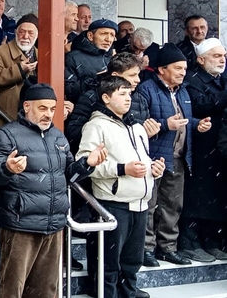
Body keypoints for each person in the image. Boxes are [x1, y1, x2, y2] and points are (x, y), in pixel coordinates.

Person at [0, 84, 106, 298]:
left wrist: (87, 164)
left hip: (54, 225)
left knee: (47, 291)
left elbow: (69, 175)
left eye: (52, 109)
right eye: (43, 108)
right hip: (20, 226)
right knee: (12, 290)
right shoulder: (7, 135)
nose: (48, 114)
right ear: (27, 106)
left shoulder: (58, 137)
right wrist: (7, 168)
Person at [78, 76, 164, 298]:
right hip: (113, 205)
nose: (128, 99)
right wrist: (122, 169)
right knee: (109, 264)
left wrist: (154, 169)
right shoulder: (95, 125)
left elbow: (141, 160)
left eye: (129, 93)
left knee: (132, 262)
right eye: (122, 94)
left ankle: (128, 294)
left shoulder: (136, 127)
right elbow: (86, 164)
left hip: (141, 203)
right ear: (106, 98)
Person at [137, 43, 211, 267]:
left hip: (178, 157)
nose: (182, 72)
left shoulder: (184, 91)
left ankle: (167, 248)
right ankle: (146, 249)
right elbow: (140, 123)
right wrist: (163, 125)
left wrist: (197, 124)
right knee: (149, 205)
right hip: (153, 158)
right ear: (162, 69)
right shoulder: (146, 89)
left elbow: (183, 119)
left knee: (172, 205)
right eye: (177, 68)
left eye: (184, 68)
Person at [178, 38, 227, 263]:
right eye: (216, 56)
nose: (222, 60)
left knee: (217, 197)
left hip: (220, 146)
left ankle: (212, 241)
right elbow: (200, 104)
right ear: (201, 59)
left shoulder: (223, 79)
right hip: (199, 145)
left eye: (224, 56)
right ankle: (190, 242)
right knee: (197, 196)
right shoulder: (191, 79)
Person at [65, 53, 157, 150]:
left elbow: (142, 141)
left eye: (138, 74)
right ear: (115, 76)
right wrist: (106, 136)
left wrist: (148, 133)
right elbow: (73, 132)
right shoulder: (92, 97)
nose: (138, 80)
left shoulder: (140, 99)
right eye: (132, 75)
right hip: (103, 160)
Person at [0, 14, 38, 124]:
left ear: (37, 36)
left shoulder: (41, 54)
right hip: (7, 113)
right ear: (15, 32)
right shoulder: (0, 52)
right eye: (22, 32)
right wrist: (19, 70)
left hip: (33, 114)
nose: (25, 36)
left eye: (31, 33)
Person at [65, 18, 118, 103]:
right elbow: (69, 91)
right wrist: (94, 80)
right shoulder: (73, 57)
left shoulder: (114, 58)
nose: (108, 39)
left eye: (112, 35)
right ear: (90, 36)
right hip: (84, 109)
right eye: (104, 34)